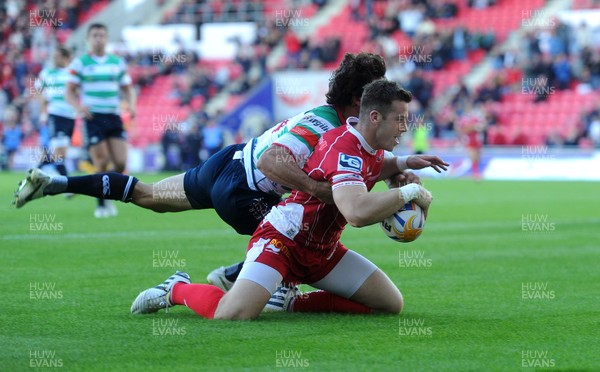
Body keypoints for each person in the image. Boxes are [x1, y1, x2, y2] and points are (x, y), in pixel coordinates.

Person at [14, 53, 447, 285]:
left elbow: (358, 166)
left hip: (228, 160)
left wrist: (396, 167)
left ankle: (56, 182)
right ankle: (233, 279)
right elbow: (272, 161)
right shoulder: (329, 123)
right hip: (244, 188)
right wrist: (318, 189)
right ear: (359, 101)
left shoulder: (335, 119)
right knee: (294, 241)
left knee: (150, 197)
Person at [130, 79, 433, 319]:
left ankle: (290, 303)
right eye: (400, 119)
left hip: (323, 251)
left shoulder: (370, 146)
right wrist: (409, 193)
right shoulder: (342, 147)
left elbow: (380, 165)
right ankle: (176, 289)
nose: (405, 127)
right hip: (283, 242)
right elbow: (356, 212)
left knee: (389, 304)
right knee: (232, 315)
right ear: (375, 117)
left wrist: (405, 165)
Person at [66, 23, 136, 218]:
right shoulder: (80, 63)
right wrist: (78, 107)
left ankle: (108, 192)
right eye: (95, 35)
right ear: (88, 39)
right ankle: (101, 205)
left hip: (113, 117)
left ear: (107, 38)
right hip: (93, 118)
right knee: (101, 162)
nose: (99, 38)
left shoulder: (116, 62)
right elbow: (69, 92)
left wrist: (131, 105)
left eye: (102, 35)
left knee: (121, 163)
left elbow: (128, 88)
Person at [34, 47, 77, 177]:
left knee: (61, 153)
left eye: (57, 56)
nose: (54, 59)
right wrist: (43, 111)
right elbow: (38, 90)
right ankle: (66, 183)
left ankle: (40, 168)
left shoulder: (73, 73)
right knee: (59, 152)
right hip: (55, 115)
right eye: (54, 56)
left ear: (65, 57)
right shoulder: (47, 73)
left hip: (70, 116)